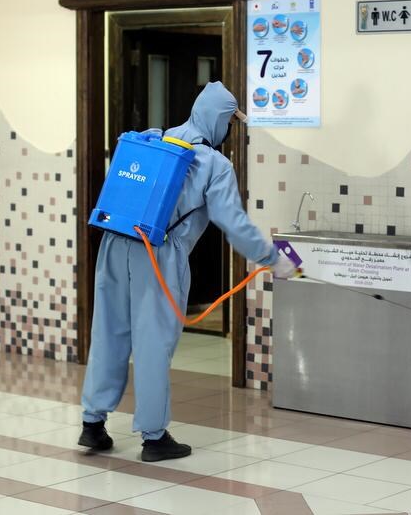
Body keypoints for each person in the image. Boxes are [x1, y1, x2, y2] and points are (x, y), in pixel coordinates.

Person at [78, 81, 296, 462]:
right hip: (157, 254)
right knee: (153, 342)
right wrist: (271, 258)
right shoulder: (215, 164)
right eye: (230, 123)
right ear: (221, 120)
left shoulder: (154, 139)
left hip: (114, 242)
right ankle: (154, 437)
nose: (229, 130)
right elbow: (234, 224)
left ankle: (92, 424)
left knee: (108, 331)